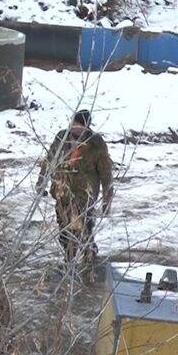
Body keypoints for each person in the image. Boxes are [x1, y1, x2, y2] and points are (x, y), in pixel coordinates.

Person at [37, 109, 114, 271]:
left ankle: (88, 261)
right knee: (64, 229)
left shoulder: (96, 144)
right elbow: (49, 160)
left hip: (84, 194)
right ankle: (69, 261)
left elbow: (106, 172)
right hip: (62, 192)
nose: (74, 128)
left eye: (79, 125)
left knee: (83, 227)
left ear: (86, 127)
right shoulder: (61, 138)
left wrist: (107, 198)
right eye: (73, 124)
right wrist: (41, 181)